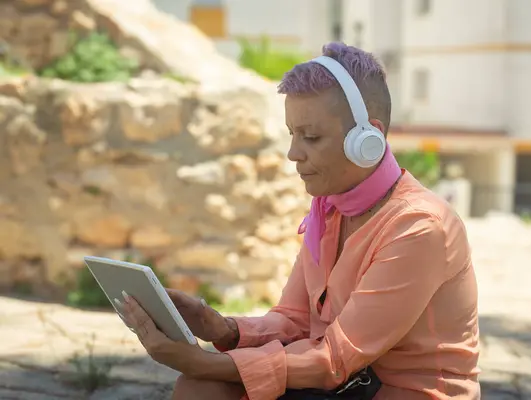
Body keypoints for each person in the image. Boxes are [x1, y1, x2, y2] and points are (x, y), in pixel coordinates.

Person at [121, 42, 480, 399]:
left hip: (403, 392)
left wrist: (203, 362)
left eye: (311, 137)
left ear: (367, 138)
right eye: (293, 135)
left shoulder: (419, 226)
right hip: (348, 387)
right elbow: (296, 321)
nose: (294, 154)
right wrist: (222, 327)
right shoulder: (330, 210)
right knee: (202, 387)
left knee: (205, 381)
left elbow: (335, 358)